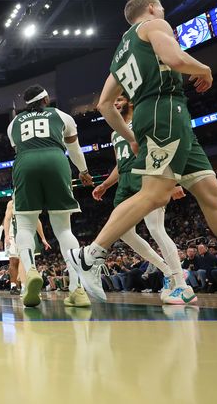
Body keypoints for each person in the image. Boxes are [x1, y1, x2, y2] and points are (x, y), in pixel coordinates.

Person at [69, 0, 217, 300]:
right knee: (155, 194)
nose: (163, 11)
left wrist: (130, 137)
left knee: (215, 196)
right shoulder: (154, 25)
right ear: (150, 8)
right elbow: (174, 59)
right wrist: (204, 69)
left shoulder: (121, 51)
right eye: (160, 6)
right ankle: (90, 254)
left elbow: (105, 105)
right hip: (165, 109)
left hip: (160, 115)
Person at [91, 93, 195, 304]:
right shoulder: (115, 133)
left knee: (156, 229)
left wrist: (171, 182)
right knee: (124, 232)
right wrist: (105, 184)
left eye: (119, 100)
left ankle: (183, 286)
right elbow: (120, 166)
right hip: (125, 182)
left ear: (129, 102)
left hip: (146, 175)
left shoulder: (141, 120)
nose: (116, 103)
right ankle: (167, 272)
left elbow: (160, 150)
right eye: (114, 101)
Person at [6, 85, 94, 308]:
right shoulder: (62, 116)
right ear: (46, 98)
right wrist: (83, 171)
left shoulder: (13, 124)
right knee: (64, 229)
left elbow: (19, 147)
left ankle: (31, 272)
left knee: (25, 226)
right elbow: (74, 149)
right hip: (56, 160)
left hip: (25, 162)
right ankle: (77, 289)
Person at [1, 199, 50, 295]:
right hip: (12, 234)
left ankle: (25, 286)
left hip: (28, 233)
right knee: (14, 260)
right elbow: (6, 219)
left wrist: (43, 238)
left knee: (26, 260)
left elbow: (37, 220)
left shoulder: (31, 201)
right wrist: (6, 235)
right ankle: (15, 285)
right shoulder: (12, 203)